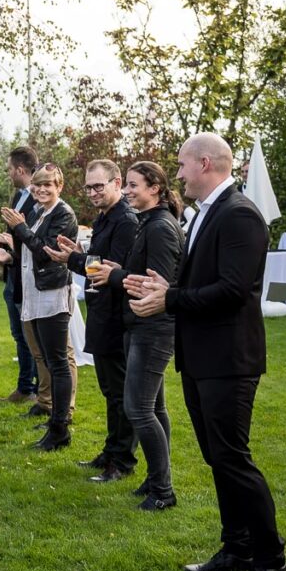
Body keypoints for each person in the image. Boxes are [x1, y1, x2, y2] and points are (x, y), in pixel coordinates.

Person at [127, 133, 286, 571]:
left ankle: (272, 562)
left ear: (204, 164)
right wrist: (168, 283)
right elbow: (206, 280)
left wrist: (170, 298)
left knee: (234, 460)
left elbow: (234, 290)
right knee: (217, 457)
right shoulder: (207, 212)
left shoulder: (239, 214)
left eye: (181, 165)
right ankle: (236, 547)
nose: (177, 174)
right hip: (202, 358)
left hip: (229, 361)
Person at [87, 162, 184, 511]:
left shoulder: (159, 227)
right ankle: (157, 480)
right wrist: (119, 271)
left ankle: (163, 490)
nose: (126, 191)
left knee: (138, 408)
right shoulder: (148, 223)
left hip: (153, 327)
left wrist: (115, 276)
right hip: (140, 324)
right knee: (154, 408)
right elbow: (139, 273)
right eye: (125, 185)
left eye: (132, 185)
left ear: (155, 188)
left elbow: (155, 282)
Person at [44, 159, 138, 482]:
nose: (93, 192)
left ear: (117, 183)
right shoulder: (104, 218)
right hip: (101, 313)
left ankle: (122, 461)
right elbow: (97, 263)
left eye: (99, 186)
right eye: (88, 187)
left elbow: (113, 270)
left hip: (117, 317)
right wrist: (77, 254)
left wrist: (72, 258)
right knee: (109, 390)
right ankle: (111, 451)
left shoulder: (125, 220)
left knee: (120, 393)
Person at [0, 163, 78, 452]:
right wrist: (7, 253)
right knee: (44, 357)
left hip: (52, 293)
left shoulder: (63, 214)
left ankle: (60, 428)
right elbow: (27, 252)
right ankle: (52, 417)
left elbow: (46, 254)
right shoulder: (39, 211)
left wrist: (20, 228)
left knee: (57, 362)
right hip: (33, 291)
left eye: (48, 185)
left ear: (59, 186)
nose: (41, 190)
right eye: (37, 185)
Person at [0, 146, 39, 404]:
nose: (9, 174)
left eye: (10, 169)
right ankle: (25, 386)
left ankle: (32, 389)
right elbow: (13, 235)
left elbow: (31, 238)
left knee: (28, 334)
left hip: (26, 276)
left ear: (20, 169)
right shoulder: (17, 196)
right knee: (17, 333)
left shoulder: (38, 199)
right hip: (12, 271)